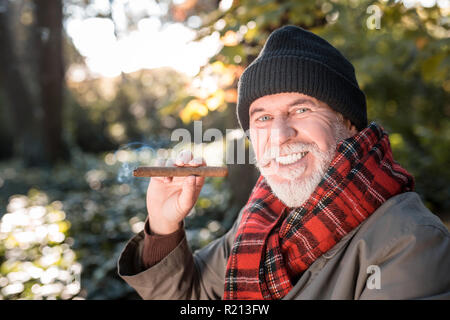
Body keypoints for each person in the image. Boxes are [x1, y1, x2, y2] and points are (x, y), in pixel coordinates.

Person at [117, 25, 450, 300]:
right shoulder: (260, 220)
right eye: (262, 118)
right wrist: (163, 227)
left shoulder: (411, 240)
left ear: (347, 123)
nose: (278, 135)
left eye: (301, 110)